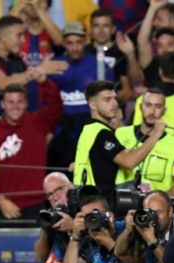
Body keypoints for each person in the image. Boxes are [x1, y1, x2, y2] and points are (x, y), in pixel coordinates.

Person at [73, 80, 166, 200]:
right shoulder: (101, 133)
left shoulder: (90, 130)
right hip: (100, 205)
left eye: (114, 98)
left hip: (91, 202)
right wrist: (156, 134)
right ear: (93, 105)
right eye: (107, 99)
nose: (114, 104)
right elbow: (129, 161)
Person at [0, 75, 63, 221]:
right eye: (10, 102)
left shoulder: (38, 122)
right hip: (3, 206)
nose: (15, 106)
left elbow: (56, 105)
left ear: (26, 103)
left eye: (20, 102)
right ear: (2, 104)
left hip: (36, 203)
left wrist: (45, 83)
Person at [0, 15, 67, 115]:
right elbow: (3, 84)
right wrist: (39, 69)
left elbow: (20, 90)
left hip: (8, 122)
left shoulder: (17, 61)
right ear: (4, 37)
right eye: (19, 35)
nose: (23, 40)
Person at [47, 22, 114, 173]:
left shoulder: (100, 65)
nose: (74, 47)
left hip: (91, 130)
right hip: (61, 132)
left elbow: (110, 99)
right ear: (64, 43)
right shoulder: (54, 66)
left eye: (78, 42)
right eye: (70, 43)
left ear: (85, 42)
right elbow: (45, 101)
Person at [116, 88, 174, 193]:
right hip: (122, 202)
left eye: (158, 106)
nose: (152, 111)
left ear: (164, 111)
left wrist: (160, 201)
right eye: (148, 105)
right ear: (140, 107)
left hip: (156, 205)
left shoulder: (173, 144)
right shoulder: (120, 134)